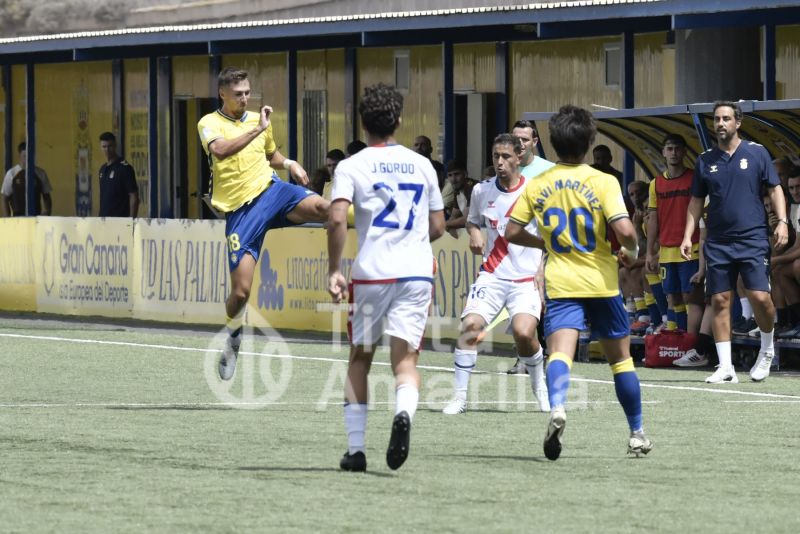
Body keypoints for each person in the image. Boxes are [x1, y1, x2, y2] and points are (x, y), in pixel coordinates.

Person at [506, 104, 652, 461]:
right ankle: (636, 433)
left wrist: (546, 242)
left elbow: (511, 230)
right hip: (601, 281)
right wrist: (632, 251)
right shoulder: (603, 181)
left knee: (560, 352)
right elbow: (625, 229)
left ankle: (557, 406)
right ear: (590, 142)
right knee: (621, 362)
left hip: (562, 282)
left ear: (552, 143)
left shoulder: (538, 183)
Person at [328, 83, 445, 472]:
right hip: (416, 272)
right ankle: (404, 414)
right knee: (406, 360)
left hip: (372, 274)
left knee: (360, 358)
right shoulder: (423, 164)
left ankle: (357, 450)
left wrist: (334, 268)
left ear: (362, 124)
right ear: (398, 120)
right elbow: (439, 225)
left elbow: (336, 217)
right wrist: (411, 243)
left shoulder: (351, 165)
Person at [197, 66, 328, 381]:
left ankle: (383, 219)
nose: (244, 99)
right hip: (241, 211)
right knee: (240, 294)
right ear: (222, 94)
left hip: (273, 192)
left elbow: (270, 155)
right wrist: (258, 129)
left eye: (247, 93)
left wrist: (290, 163)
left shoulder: (259, 120)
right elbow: (221, 151)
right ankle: (233, 336)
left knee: (325, 207)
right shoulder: (208, 123)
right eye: (238, 94)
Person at [681, 100, 788, 383]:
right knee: (719, 300)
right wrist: (687, 235)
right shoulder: (705, 160)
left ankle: (766, 348)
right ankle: (726, 367)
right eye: (717, 119)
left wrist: (783, 222)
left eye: (726, 118)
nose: (720, 123)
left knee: (761, 299)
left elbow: (775, 189)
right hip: (717, 241)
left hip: (753, 238)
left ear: (738, 123)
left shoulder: (757, 153)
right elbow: (695, 201)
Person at [441, 134, 548, 416]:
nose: (500, 162)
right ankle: (459, 398)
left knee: (525, 334)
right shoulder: (481, 191)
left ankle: (540, 388)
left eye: (505, 157)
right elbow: (474, 221)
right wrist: (474, 234)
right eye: (495, 157)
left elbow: (549, 237)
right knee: (470, 328)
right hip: (491, 274)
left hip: (525, 279)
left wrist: (541, 271)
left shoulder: (536, 191)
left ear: (519, 158)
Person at [505, 122, 555, 374]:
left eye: (525, 139)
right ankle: (524, 357)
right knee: (518, 304)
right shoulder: (504, 168)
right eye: (516, 139)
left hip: (542, 245)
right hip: (513, 249)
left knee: (543, 302)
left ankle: (547, 354)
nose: (520, 144)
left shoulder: (549, 170)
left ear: (535, 141)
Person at [646, 134, 702, 334]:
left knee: (691, 296)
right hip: (666, 250)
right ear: (663, 152)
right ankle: (677, 340)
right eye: (669, 148)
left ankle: (691, 340)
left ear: (684, 152)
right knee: (673, 296)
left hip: (691, 247)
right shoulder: (656, 183)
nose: (674, 153)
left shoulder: (695, 178)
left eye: (678, 149)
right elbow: (653, 218)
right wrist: (650, 251)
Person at [1, 141, 52, 217]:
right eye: (25, 156)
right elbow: (5, 198)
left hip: (36, 217)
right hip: (17, 218)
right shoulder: (11, 174)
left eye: (30, 155)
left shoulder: (41, 173)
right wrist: (8, 218)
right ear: (19, 155)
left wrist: (47, 212)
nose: (27, 158)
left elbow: (46, 196)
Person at [98, 132, 139, 217]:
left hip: (120, 221)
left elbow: (134, 196)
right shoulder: (102, 169)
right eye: (104, 147)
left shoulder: (124, 168)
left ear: (115, 145)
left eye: (110, 146)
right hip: (104, 221)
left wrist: (131, 221)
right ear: (100, 148)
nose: (107, 150)